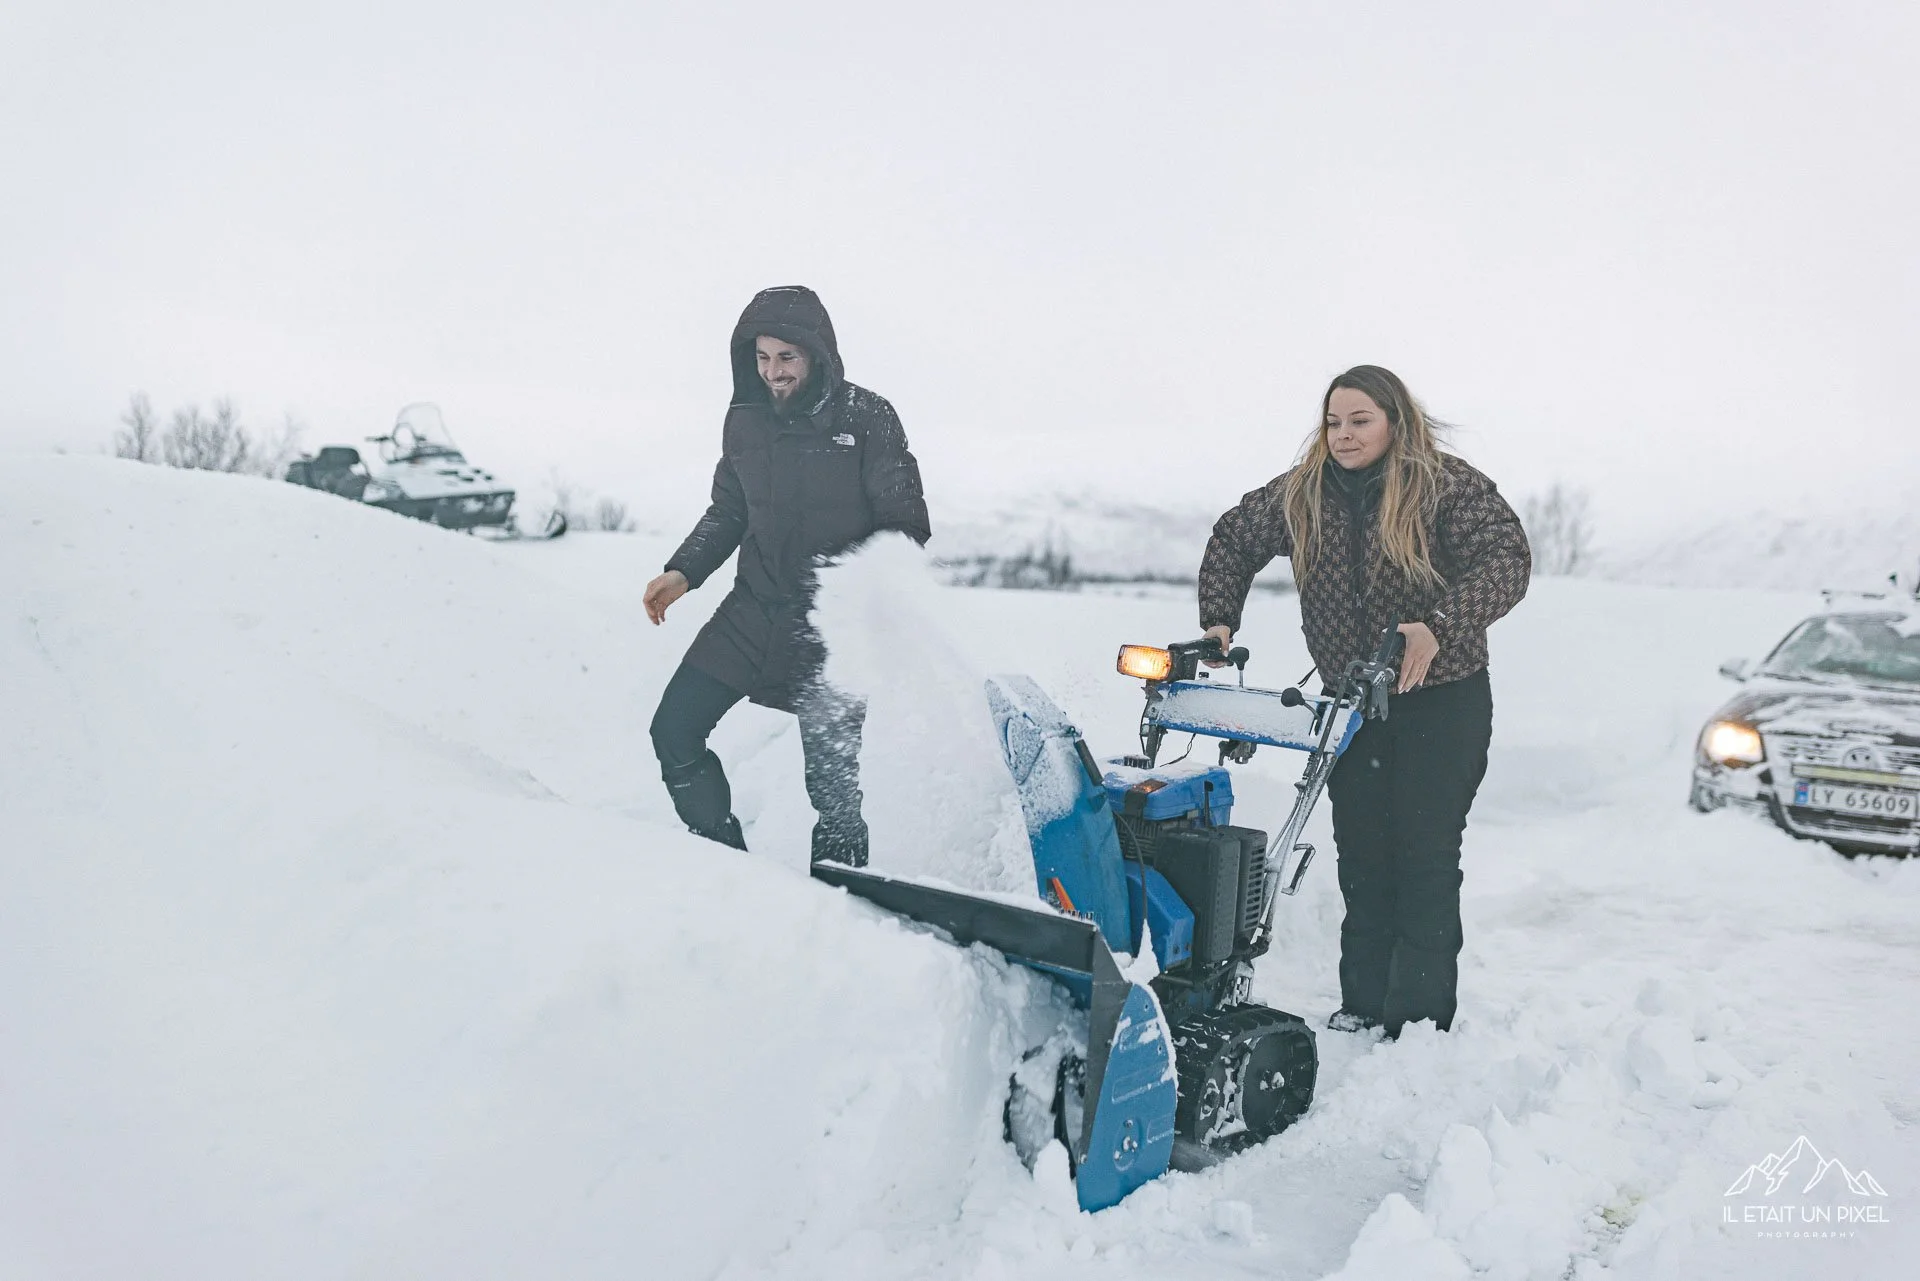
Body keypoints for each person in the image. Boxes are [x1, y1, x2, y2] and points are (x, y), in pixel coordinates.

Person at [1197, 365, 1530, 1037]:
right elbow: (1233, 538)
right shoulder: (1303, 492)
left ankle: (1418, 1022)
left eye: (1359, 421)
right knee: (1363, 854)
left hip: (1443, 701)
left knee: (1424, 855)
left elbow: (1507, 560)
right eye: (1333, 422)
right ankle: (1365, 1003)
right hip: (1350, 705)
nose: (1343, 435)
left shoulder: (1445, 486)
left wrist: (1438, 626)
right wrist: (1219, 620)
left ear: (1394, 421)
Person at [644, 286, 930, 866]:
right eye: (761, 357)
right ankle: (726, 862)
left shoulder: (868, 417)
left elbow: (905, 525)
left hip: (834, 628)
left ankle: (843, 896)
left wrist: (863, 593)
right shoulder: (746, 421)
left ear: (817, 355)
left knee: (832, 791)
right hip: (752, 612)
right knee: (674, 731)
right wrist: (683, 571)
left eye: (787, 357)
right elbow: (729, 510)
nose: (772, 372)